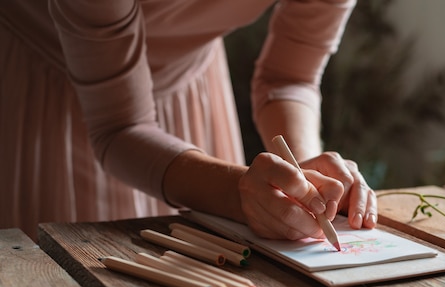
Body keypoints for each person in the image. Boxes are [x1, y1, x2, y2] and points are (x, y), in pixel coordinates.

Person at [0, 0, 378, 242]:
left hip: (192, 84)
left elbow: (289, 78)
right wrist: (238, 193)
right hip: (49, 82)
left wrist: (305, 175)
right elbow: (118, 127)